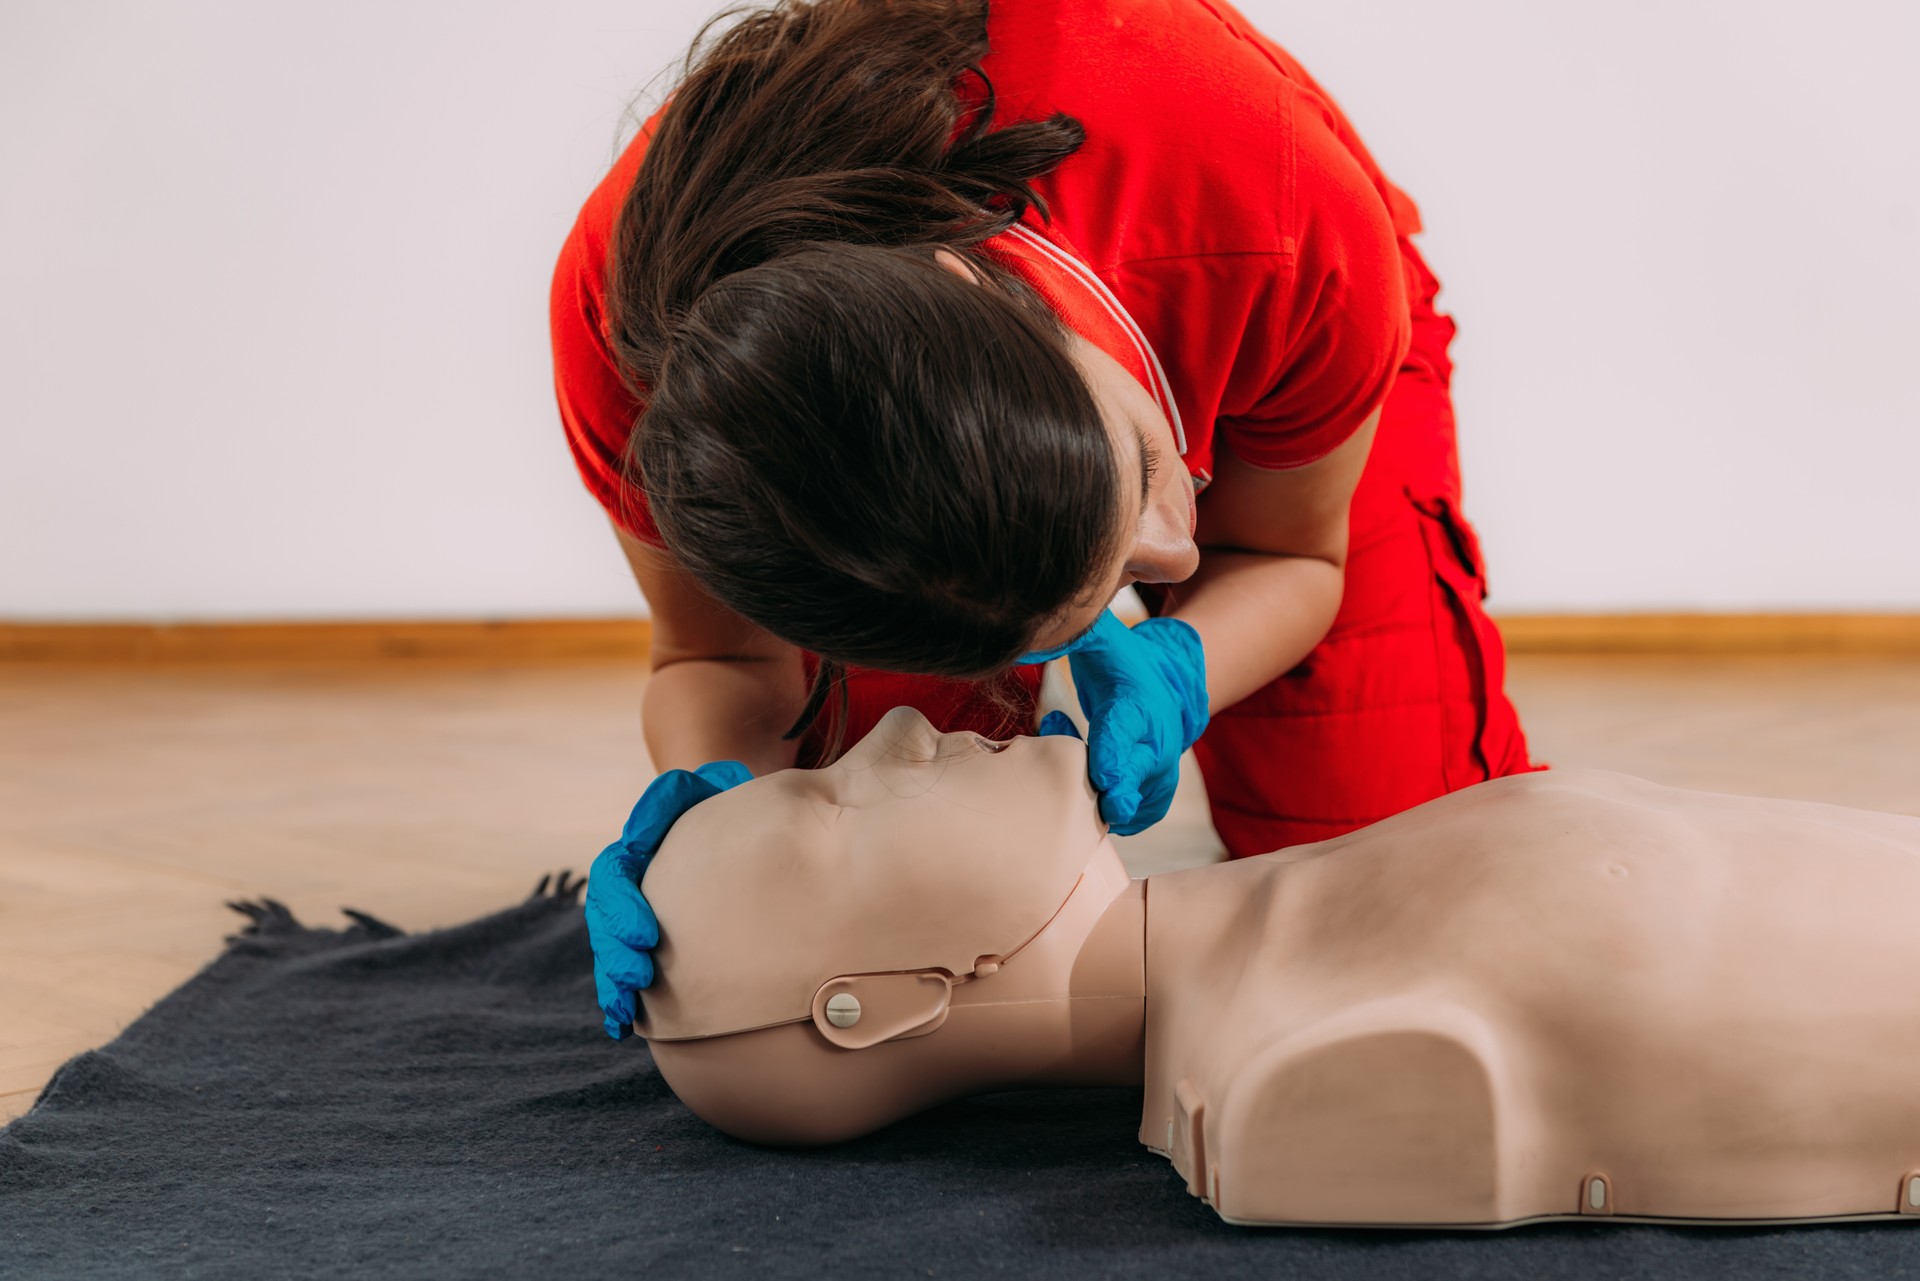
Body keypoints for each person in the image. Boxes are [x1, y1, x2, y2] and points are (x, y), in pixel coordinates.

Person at [552, 0, 1540, 1039]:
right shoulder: (646, 366)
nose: (1180, 553)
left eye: (1154, 465)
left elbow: (1284, 548)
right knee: (882, 894)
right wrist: (717, 814)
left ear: (971, 279)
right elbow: (722, 662)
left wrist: (1188, 661)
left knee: (1410, 898)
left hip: (1263, 291)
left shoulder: (1273, 203)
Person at [633, 707, 1920, 1228]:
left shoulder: (1305, 921)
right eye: (830, 804)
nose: (897, 727)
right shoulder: (1292, 1066)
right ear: (884, 1004)